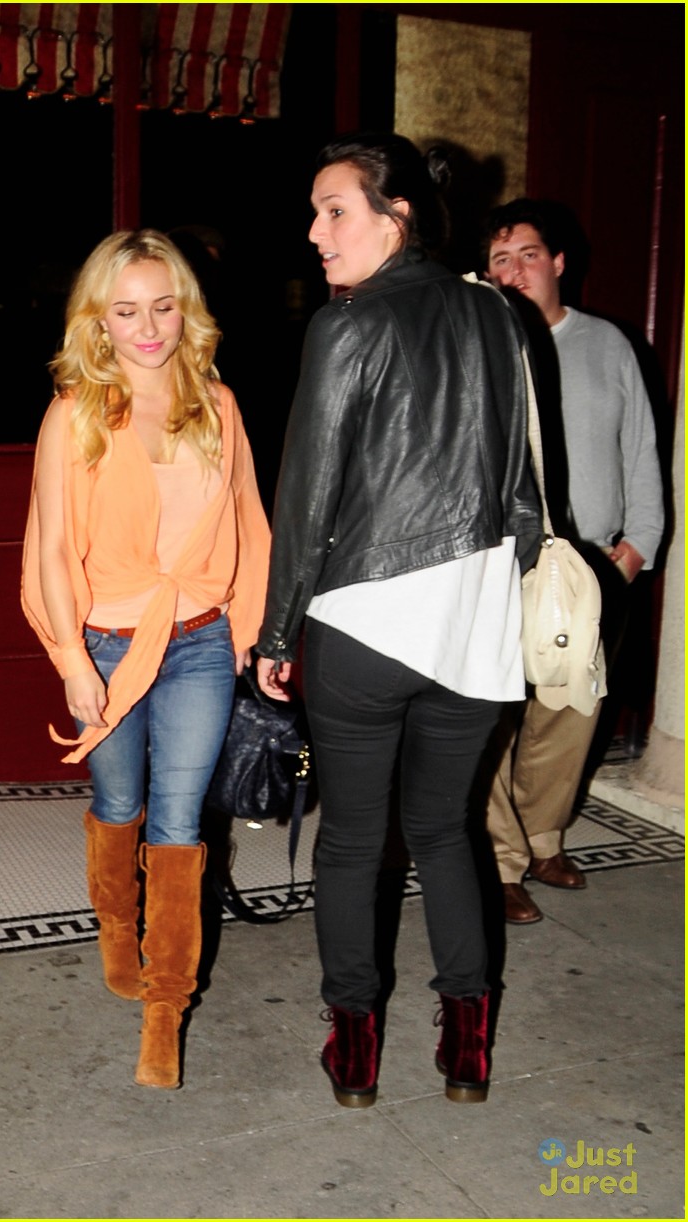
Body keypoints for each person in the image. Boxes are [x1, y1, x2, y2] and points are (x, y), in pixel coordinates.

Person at [255, 133, 542, 1108]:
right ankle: (468, 1048)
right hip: (473, 623)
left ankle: (355, 1052)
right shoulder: (497, 311)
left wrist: (276, 633)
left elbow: (306, 496)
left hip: (365, 621)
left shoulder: (347, 325)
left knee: (351, 841)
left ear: (397, 215)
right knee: (445, 830)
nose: (314, 231)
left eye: (334, 209)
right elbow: (522, 479)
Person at [21, 230, 270, 1089]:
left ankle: (166, 1011)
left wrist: (251, 633)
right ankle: (116, 931)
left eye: (163, 307)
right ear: (99, 321)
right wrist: (70, 661)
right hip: (107, 644)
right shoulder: (75, 414)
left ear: (184, 310)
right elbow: (52, 550)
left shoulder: (218, 405)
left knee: (178, 818)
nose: (149, 327)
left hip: (199, 638)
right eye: (126, 311)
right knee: (119, 800)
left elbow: (250, 520)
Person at [484, 199, 664, 924]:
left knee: (569, 713)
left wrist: (638, 545)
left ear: (558, 263)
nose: (513, 271)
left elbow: (641, 448)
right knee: (496, 716)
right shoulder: (483, 346)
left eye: (527, 255)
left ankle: (542, 838)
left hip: (593, 564)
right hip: (505, 561)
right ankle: (499, 860)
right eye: (499, 260)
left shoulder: (607, 345)